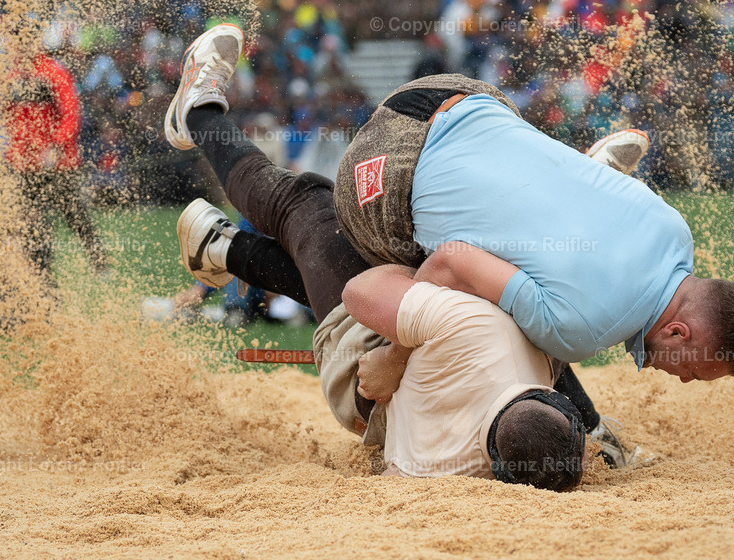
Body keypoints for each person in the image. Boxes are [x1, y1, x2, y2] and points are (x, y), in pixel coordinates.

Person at [159, 24, 644, 489]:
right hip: (437, 371)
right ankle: (225, 248)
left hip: (364, 363)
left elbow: (368, 290)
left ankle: (198, 113)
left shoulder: (449, 416)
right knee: (524, 305)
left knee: (307, 207)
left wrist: (397, 347)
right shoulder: (472, 452)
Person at [328, 75, 734, 382]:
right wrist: (396, 358)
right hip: (384, 173)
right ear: (677, 332)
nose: (682, 380)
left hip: (464, 96)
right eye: (690, 371)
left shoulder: (675, 230)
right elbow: (449, 262)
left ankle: (591, 165)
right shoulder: (582, 332)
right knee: (507, 330)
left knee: (539, 249)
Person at [4, 52, 108, 281]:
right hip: (25, 166)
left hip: (59, 164)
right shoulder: (11, 75)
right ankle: (42, 277)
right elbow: (8, 117)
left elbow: (71, 113)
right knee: (34, 223)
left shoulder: (53, 71)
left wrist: (56, 145)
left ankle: (99, 261)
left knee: (76, 216)